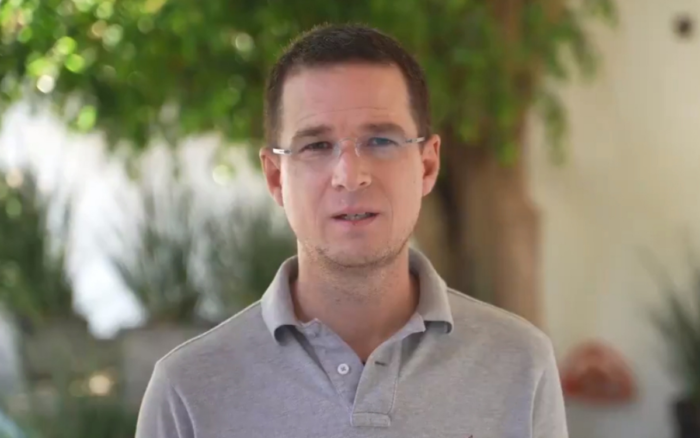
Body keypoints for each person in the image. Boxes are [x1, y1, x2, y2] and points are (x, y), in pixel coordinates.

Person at [135, 23, 568, 438]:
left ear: (427, 165)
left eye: (380, 141)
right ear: (275, 176)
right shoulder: (189, 391)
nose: (350, 175)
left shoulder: (520, 364)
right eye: (316, 145)